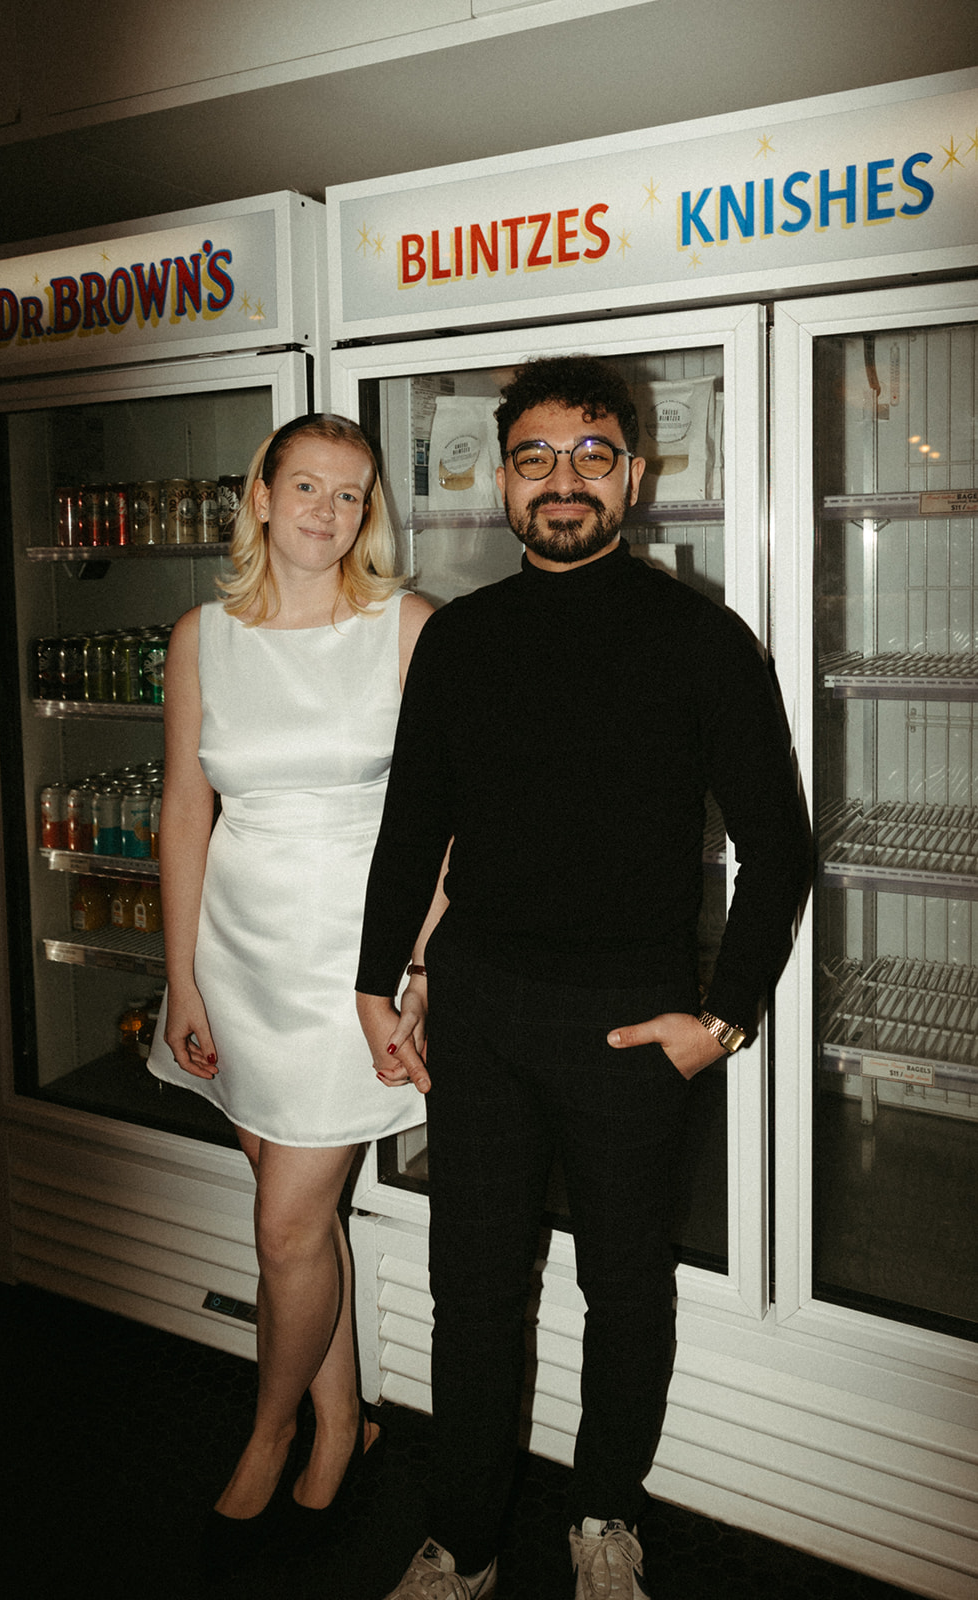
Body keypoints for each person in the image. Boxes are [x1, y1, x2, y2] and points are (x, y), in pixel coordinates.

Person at [356, 356, 810, 1600]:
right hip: (484, 1011)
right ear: (500, 480)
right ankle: (464, 1536)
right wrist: (372, 978)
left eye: (591, 455)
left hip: (629, 1023)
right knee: (472, 1290)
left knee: (625, 1288)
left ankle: (603, 1516)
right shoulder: (458, 639)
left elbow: (780, 845)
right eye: (535, 458)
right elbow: (414, 823)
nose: (563, 481)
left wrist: (721, 1019)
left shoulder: (699, 640)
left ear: (637, 474)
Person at [146, 412, 435, 1573]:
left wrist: (413, 967)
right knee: (296, 1222)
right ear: (260, 496)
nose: (327, 511)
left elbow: (446, 820)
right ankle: (338, 1420)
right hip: (238, 949)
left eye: (351, 494)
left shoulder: (407, 627)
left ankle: (267, 1432)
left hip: (353, 962)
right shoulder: (200, 636)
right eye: (305, 486)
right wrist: (179, 977)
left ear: (370, 513)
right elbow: (181, 809)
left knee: (282, 1225)